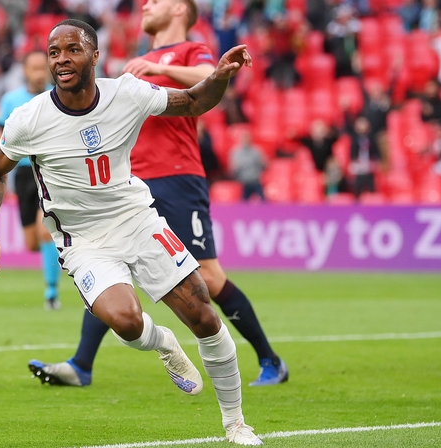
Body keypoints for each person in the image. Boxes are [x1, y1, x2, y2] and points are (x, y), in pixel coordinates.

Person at [0, 19, 262, 445]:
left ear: (94, 54)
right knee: (126, 321)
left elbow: (191, 102)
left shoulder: (125, 93)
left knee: (203, 313)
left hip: (137, 221)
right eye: (54, 52)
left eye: (71, 50)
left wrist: (219, 76)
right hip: (83, 241)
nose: (61, 60)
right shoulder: (28, 119)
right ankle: (163, 343)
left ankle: (236, 423)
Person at [29, 0, 288, 389]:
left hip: (178, 177)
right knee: (105, 265)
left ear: (181, 10)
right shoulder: (140, 58)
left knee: (209, 277)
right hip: (131, 183)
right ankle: (82, 363)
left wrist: (160, 68)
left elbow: (207, 75)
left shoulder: (188, 49)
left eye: (158, 1)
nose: (147, 5)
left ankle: (271, 360)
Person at [0, 50, 61, 310]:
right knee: (32, 241)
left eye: (42, 67)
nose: (39, 73)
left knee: (45, 231)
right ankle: (60, 261)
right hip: (22, 172)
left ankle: (51, 294)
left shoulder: (57, 98)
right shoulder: (12, 100)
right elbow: (2, 136)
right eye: (33, 68)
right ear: (25, 71)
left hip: (47, 168)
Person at [230, 130, 266, 201]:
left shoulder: (257, 151)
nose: (246, 141)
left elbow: (264, 166)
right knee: (242, 204)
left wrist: (262, 163)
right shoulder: (235, 152)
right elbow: (232, 170)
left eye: (247, 138)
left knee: (263, 202)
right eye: (244, 139)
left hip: (256, 181)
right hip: (243, 183)